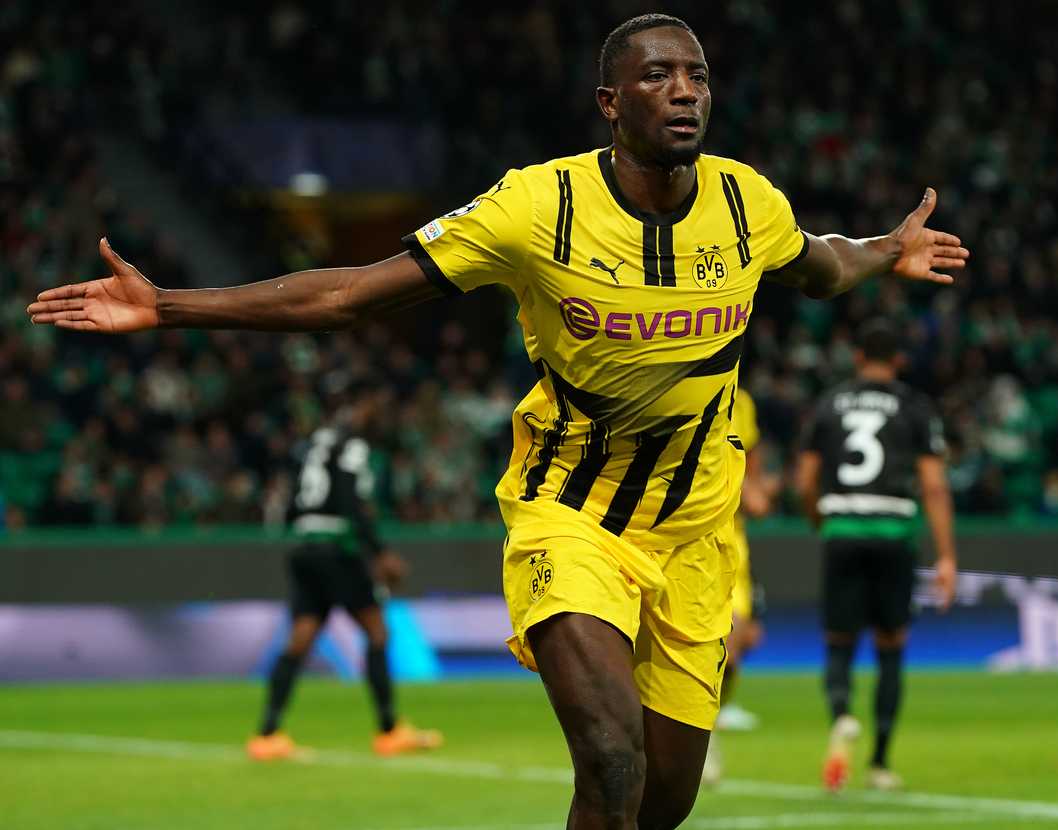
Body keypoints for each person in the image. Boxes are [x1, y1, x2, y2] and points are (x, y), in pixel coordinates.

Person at [28, 14, 968, 827]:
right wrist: (173, 306)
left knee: (661, 804)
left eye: (697, 76)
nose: (685, 93)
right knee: (611, 761)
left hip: (693, 537)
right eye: (657, 76)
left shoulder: (743, 199)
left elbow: (821, 264)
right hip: (572, 514)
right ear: (609, 102)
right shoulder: (537, 205)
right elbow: (355, 292)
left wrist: (889, 249)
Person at [796, 319, 958, 793]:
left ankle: (843, 714)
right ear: (900, 361)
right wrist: (946, 555)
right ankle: (881, 763)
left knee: (838, 640)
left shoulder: (829, 403)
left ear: (857, 357)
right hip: (893, 531)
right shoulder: (914, 406)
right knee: (891, 644)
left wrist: (820, 521)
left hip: (843, 527)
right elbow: (933, 483)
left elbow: (806, 479)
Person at [247, 393, 443, 760]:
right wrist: (379, 551)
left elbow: (292, 500)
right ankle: (388, 729)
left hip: (304, 546)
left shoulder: (314, 445)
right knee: (377, 631)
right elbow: (350, 500)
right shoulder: (352, 446)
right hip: (335, 546)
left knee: (300, 639)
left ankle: (267, 734)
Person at [702, 387, 778, 785]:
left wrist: (758, 490)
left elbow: (750, 471)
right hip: (679, 539)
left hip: (731, 550)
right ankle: (690, 734)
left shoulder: (742, 402)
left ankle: (706, 726)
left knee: (731, 656)